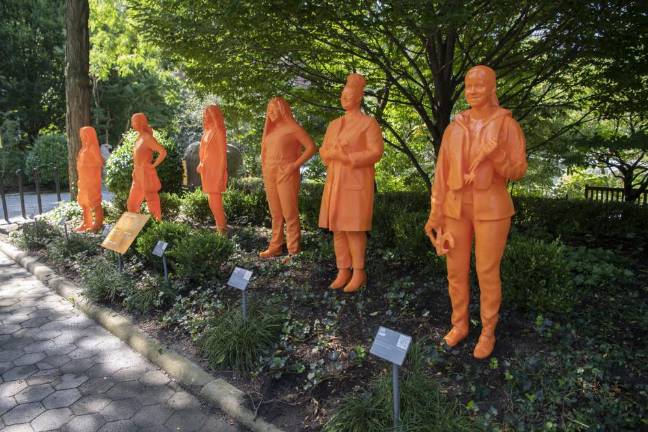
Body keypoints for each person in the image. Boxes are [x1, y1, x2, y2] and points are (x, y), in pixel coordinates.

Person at [424, 65, 528, 359]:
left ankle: (487, 331)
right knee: (455, 271)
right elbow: (441, 175)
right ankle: (459, 325)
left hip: (492, 207)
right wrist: (436, 213)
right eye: (469, 86)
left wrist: (496, 155)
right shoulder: (455, 127)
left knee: (486, 271)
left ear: (491, 88)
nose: (473, 91)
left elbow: (518, 170)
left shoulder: (506, 125)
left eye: (479, 86)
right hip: (456, 207)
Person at [319, 73, 384, 293]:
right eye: (342, 95)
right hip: (335, 182)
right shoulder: (334, 124)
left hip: (355, 182)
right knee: (337, 228)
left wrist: (349, 157)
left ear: (359, 98)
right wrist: (331, 153)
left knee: (354, 229)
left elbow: (376, 152)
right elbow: (323, 150)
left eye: (349, 95)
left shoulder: (368, 124)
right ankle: (342, 269)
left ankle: (359, 271)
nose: (345, 98)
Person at [260, 97, 316, 257]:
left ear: (282, 110)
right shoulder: (270, 130)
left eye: (273, 110)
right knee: (276, 213)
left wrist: (293, 165)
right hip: (270, 172)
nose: (269, 114)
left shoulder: (292, 127)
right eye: (268, 110)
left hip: (286, 173)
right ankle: (275, 246)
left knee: (289, 213)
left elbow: (311, 147)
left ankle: (293, 251)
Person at [126, 113, 167, 221]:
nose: (132, 124)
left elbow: (162, 152)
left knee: (152, 200)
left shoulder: (147, 138)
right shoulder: (139, 137)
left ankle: (157, 225)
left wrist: (153, 165)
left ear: (140, 123)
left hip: (146, 173)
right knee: (132, 204)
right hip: (137, 174)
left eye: (133, 121)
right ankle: (134, 227)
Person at [197, 105, 228, 234]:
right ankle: (219, 226)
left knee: (215, 201)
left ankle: (222, 229)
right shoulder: (206, 131)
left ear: (214, 115)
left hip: (216, 169)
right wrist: (201, 163)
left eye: (208, 113)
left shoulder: (219, 131)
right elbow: (204, 152)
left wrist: (221, 173)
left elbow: (222, 154)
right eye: (204, 113)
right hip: (207, 169)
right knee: (211, 200)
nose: (206, 116)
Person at [75, 126, 104, 232]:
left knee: (94, 201)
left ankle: (98, 223)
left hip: (91, 180)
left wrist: (88, 164)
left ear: (89, 136)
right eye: (81, 136)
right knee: (83, 201)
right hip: (83, 180)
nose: (82, 138)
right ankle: (87, 222)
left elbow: (100, 162)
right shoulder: (83, 149)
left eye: (84, 136)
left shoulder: (93, 148)